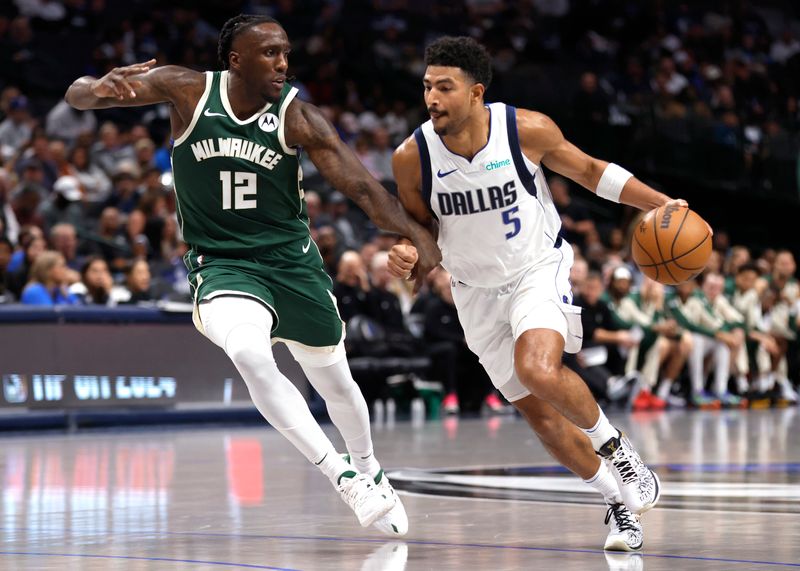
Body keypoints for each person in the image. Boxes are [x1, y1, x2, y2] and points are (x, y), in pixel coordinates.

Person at [65, 13, 443, 536]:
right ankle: (343, 477)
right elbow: (80, 97)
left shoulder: (297, 117)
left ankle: (371, 465)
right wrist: (94, 87)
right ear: (235, 59)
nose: (282, 62)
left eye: (286, 52)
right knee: (247, 352)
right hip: (221, 263)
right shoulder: (187, 91)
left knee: (335, 380)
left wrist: (420, 239)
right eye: (270, 53)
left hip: (292, 263)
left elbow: (361, 188)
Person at [387, 36, 684, 551]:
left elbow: (591, 171)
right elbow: (420, 232)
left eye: (445, 87)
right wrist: (408, 255)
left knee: (538, 368)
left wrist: (661, 202)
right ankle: (615, 501)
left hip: (535, 269)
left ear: (476, 92)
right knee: (540, 416)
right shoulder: (411, 158)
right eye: (427, 86)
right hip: (472, 291)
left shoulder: (526, 129)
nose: (432, 97)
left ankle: (617, 449)